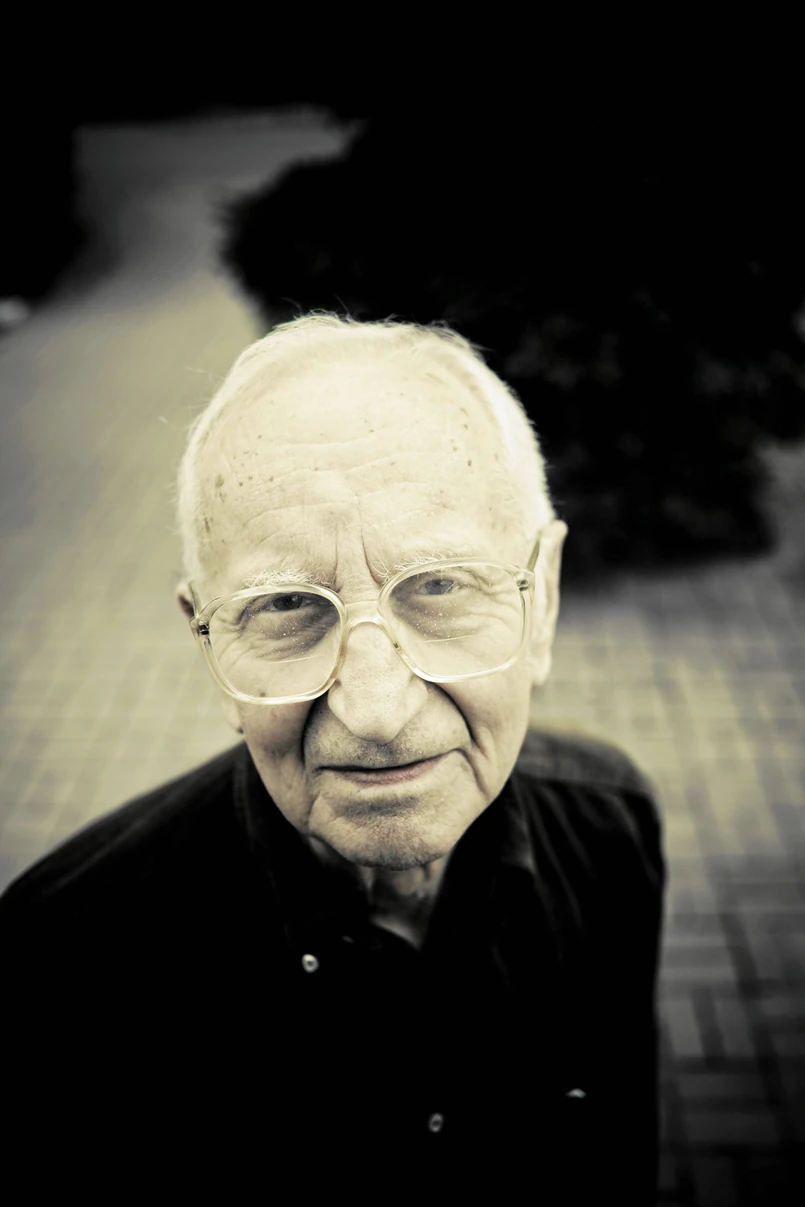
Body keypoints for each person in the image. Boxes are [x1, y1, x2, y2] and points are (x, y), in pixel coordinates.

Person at [1, 314, 665, 1201]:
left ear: (540, 602)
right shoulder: (58, 962)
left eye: (438, 585)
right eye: (285, 606)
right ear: (208, 643)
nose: (375, 708)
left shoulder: (610, 827)